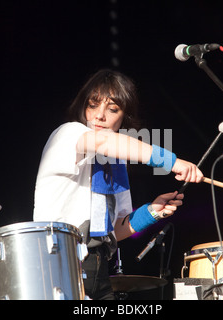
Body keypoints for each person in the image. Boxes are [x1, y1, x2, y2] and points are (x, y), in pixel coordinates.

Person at [33, 69, 203, 300]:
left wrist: (153, 211)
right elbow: (105, 142)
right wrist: (172, 161)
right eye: (93, 105)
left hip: (97, 269)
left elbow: (114, 231)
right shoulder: (69, 133)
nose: (99, 116)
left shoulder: (115, 163)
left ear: (125, 117)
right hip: (58, 264)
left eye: (112, 109)